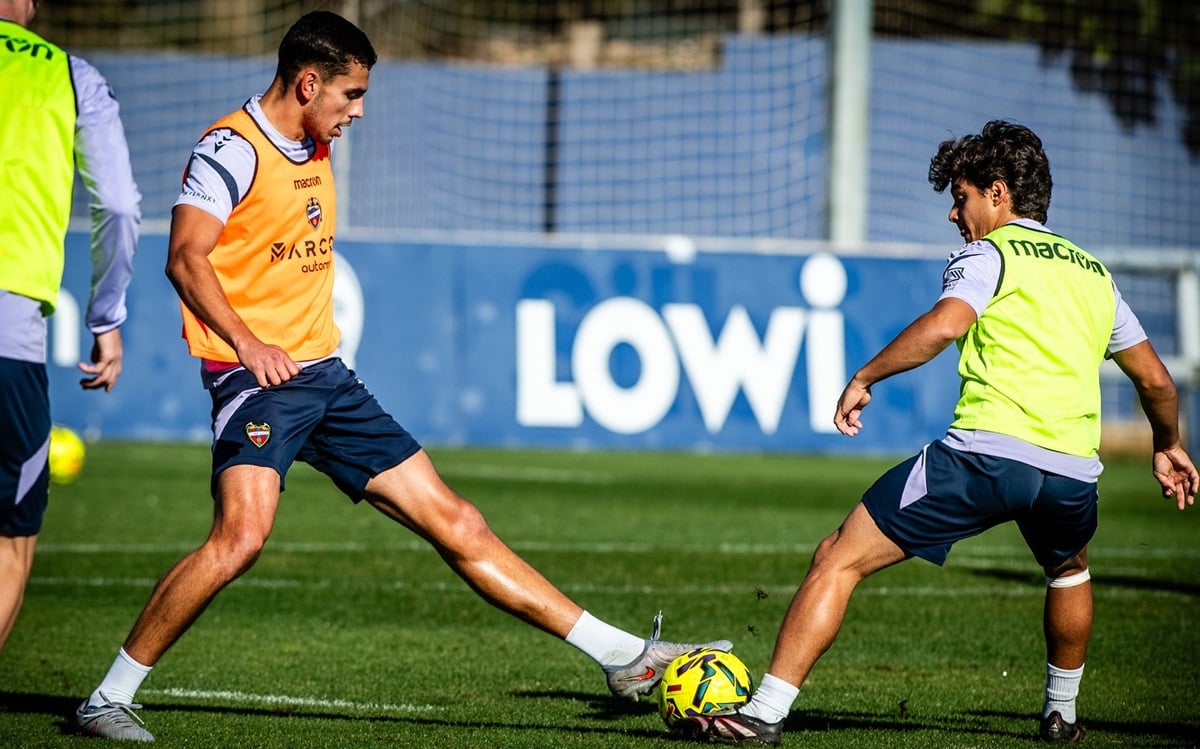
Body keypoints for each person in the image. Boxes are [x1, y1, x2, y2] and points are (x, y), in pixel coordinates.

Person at [73, 11, 728, 742]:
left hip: (326, 377)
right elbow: (187, 257)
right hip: (256, 381)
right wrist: (248, 343)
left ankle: (626, 657)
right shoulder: (230, 149)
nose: (358, 111)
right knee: (241, 538)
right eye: (350, 94)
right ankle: (108, 696)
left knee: (459, 520)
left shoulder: (314, 140)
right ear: (308, 81)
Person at [678, 120, 1198, 745]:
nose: (955, 214)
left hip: (984, 458)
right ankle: (1061, 714)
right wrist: (1167, 444)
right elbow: (1158, 384)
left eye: (962, 197)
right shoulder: (1095, 274)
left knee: (837, 558)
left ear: (998, 194)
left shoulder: (989, 254)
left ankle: (762, 714)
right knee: (1069, 571)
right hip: (1071, 473)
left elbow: (946, 325)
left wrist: (866, 375)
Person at [0, 0, 140, 653]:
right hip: (8, 334)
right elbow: (116, 202)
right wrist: (106, 314)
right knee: (9, 542)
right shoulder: (69, 75)